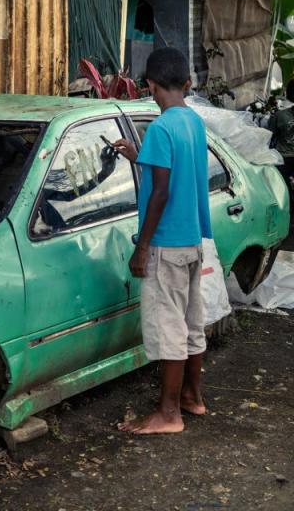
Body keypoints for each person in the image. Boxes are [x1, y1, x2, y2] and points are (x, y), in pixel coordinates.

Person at [113, 47, 212, 435]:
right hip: (191, 239)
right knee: (191, 324)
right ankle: (192, 397)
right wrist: (139, 156)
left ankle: (168, 413)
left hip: (165, 244)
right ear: (187, 84)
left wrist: (142, 247)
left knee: (169, 327)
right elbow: (172, 171)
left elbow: (160, 193)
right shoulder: (193, 122)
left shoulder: (161, 127)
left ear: (149, 85)